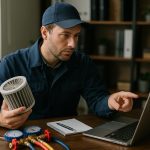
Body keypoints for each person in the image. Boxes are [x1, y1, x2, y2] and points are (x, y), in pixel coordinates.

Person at [0, 2, 138, 129]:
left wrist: (110, 102)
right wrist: (1, 120)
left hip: (69, 140)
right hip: (25, 139)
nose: (73, 44)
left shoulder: (82, 63)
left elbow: (97, 100)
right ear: (44, 33)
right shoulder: (10, 65)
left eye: (76, 36)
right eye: (65, 35)